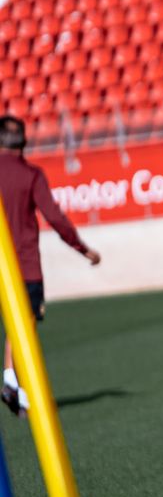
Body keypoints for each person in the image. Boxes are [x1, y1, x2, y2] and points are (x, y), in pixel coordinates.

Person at [0, 115, 101, 416]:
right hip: (24, 265)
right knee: (24, 327)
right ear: (24, 141)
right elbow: (55, 218)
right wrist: (83, 249)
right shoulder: (31, 174)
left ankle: (11, 382)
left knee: (15, 328)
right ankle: (11, 382)